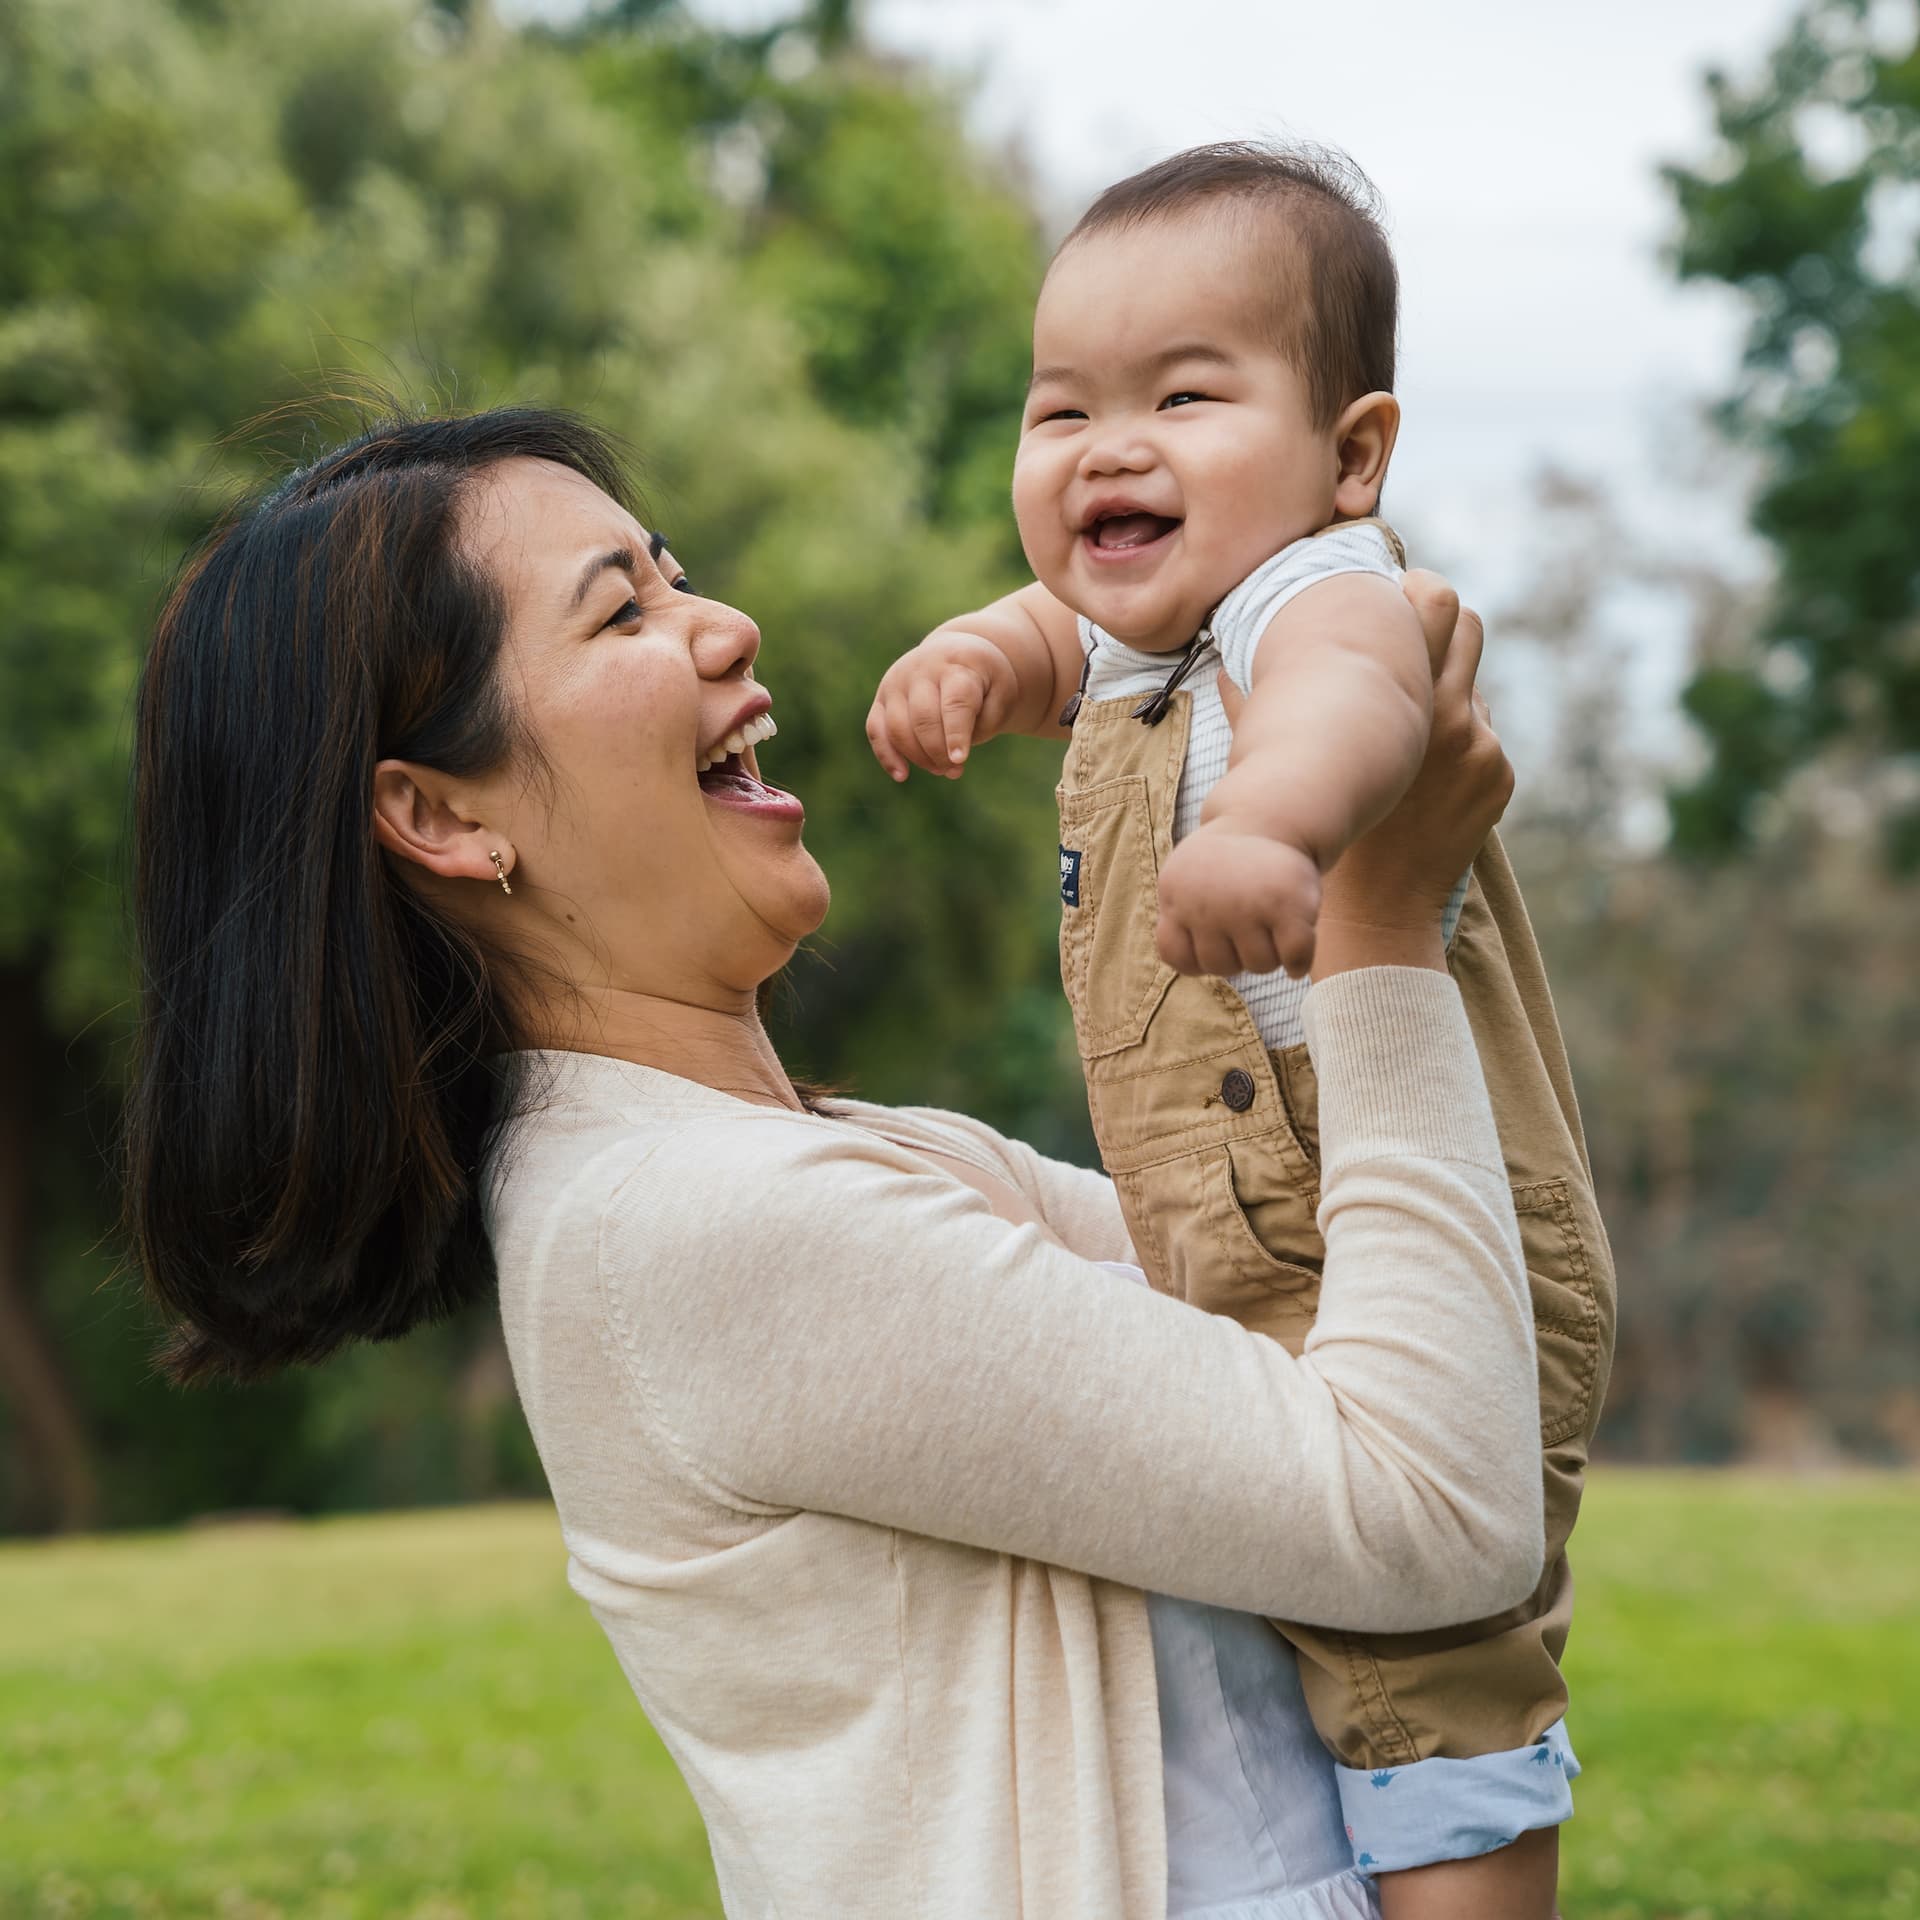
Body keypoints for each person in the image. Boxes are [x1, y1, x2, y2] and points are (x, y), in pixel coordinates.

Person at [127, 407, 1544, 1920]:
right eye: (625, 609)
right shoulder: (691, 1228)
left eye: (675, 577)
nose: (726, 625)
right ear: (438, 812)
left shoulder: (830, 1163)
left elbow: (1338, 1310)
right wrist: (1382, 927)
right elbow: (1433, 1513)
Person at [868, 143, 1615, 1919]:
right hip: (1252, 1240)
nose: (1107, 448)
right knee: (1315, 1640)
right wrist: (968, 657)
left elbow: (1362, 700)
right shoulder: (1140, 625)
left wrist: (1273, 826)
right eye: (1062, 413)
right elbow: (1055, 629)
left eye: (1185, 397)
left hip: (1426, 1229)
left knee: (1430, 1658)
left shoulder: (1313, 594)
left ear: (1349, 457)